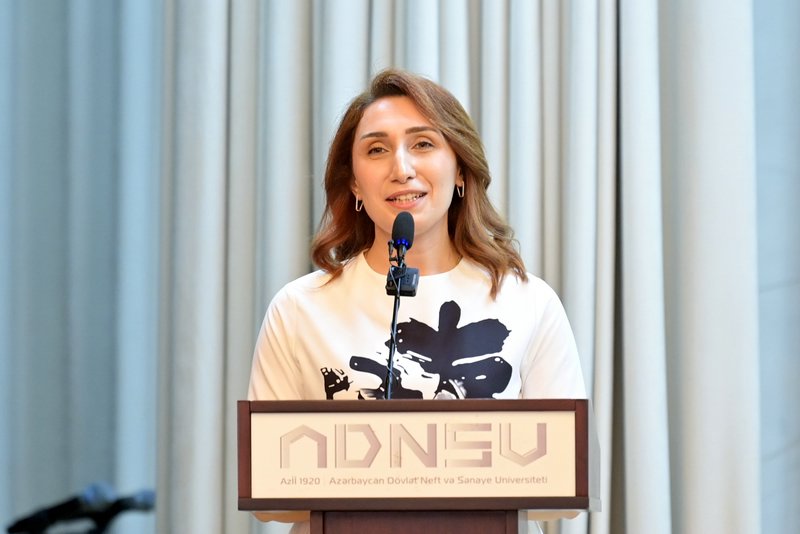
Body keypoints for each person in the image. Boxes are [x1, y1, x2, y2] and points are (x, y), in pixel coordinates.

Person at [247, 68, 586, 533]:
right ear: (354, 184)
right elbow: (270, 499)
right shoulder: (299, 308)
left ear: (460, 169)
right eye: (376, 149)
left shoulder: (527, 301)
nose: (401, 168)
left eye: (423, 144)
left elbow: (563, 492)